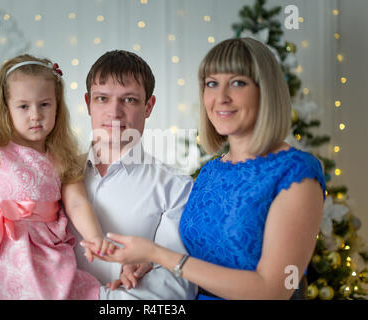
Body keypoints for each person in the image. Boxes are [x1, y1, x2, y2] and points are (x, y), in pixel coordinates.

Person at [86, 38, 326, 300]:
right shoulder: (211, 172)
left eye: (238, 83)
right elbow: (196, 257)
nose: (221, 98)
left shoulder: (296, 171)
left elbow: (273, 290)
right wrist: (150, 265)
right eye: (212, 83)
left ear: (266, 91)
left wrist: (158, 255)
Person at [0, 54, 115, 300]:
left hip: (46, 258)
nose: (35, 115)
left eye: (45, 104)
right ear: (6, 107)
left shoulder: (61, 156)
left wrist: (95, 238)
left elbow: (78, 203)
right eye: (24, 106)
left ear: (58, 105)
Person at [72, 50, 197, 299]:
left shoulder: (175, 188)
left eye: (129, 100)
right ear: (88, 103)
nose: (114, 112)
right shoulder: (55, 175)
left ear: (148, 106)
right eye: (102, 99)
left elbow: (174, 289)